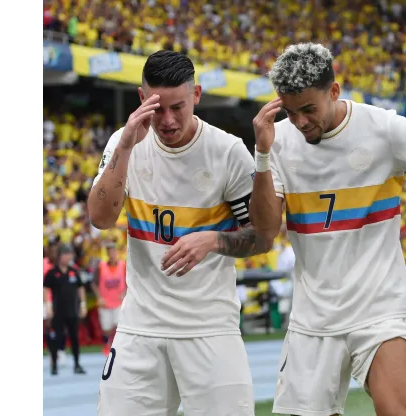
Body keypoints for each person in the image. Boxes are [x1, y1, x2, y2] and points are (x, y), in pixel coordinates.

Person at [249, 42, 406, 416]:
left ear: (334, 91)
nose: (300, 122)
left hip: (379, 309)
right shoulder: (279, 141)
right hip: (312, 318)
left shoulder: (387, 128)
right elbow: (266, 232)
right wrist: (263, 155)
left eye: (309, 110)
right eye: (291, 111)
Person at [87, 50, 273, 416]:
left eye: (178, 106)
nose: (168, 120)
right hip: (140, 325)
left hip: (209, 326)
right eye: (158, 108)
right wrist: (125, 146)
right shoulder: (122, 143)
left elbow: (263, 236)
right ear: (142, 99)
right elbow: (100, 218)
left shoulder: (228, 152)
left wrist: (214, 239)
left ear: (197, 96)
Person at [43, 244, 87, 375]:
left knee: (75, 338)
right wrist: (48, 306)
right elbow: (45, 288)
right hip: (58, 311)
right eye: (66, 254)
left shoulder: (74, 271)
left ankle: (77, 364)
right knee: (57, 338)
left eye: (70, 254)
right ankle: (54, 365)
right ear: (60, 256)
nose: (69, 257)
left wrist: (83, 305)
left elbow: (81, 288)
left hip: (72, 310)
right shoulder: (52, 272)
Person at [91, 242, 126, 356]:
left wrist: (125, 292)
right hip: (105, 302)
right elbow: (93, 283)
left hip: (119, 301)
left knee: (118, 325)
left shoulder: (123, 265)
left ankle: (117, 346)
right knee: (106, 327)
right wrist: (99, 297)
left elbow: (131, 280)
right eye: (109, 252)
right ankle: (106, 344)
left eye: (113, 251)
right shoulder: (101, 267)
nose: (112, 254)